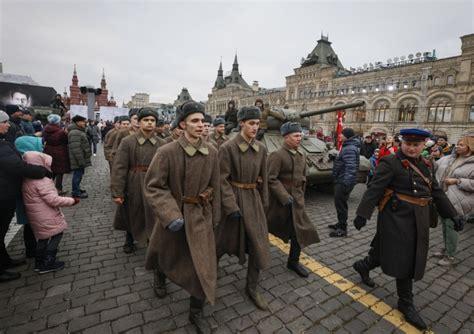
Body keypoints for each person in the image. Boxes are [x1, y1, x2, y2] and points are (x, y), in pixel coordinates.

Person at [351, 128, 461, 330]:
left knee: (385, 249)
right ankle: (405, 302)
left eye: (416, 145)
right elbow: (374, 188)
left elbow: (435, 191)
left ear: (423, 145)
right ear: (402, 143)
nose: (411, 148)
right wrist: (362, 214)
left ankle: (364, 265)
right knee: (406, 257)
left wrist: (452, 214)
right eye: (408, 144)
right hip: (395, 217)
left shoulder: (426, 164)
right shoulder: (390, 162)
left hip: (419, 218)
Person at [144, 101, 220, 333]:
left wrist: (215, 216)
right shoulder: (166, 152)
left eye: (202, 121)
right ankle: (160, 275)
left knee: (202, 264)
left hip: (200, 215)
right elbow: (154, 186)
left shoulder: (213, 151)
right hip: (174, 215)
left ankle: (196, 312)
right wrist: (170, 215)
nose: (200, 125)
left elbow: (215, 185)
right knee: (166, 253)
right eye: (194, 121)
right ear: (182, 124)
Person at [215, 106, 271, 311]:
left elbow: (264, 180)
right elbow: (221, 180)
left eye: (257, 124)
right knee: (219, 244)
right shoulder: (228, 148)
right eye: (251, 123)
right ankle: (209, 279)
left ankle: (252, 288)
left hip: (253, 200)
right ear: (241, 124)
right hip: (233, 201)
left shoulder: (262, 149)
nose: (255, 127)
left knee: (258, 244)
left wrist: (263, 203)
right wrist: (230, 205)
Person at [0, 110, 51, 282]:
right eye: (4, 122)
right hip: (3, 194)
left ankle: (5, 261)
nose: (8, 125)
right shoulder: (2, 146)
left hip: (6, 192)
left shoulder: (4, 143)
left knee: (3, 230)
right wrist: (41, 172)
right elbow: (18, 166)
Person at [267, 122, 320, 277]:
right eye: (296, 136)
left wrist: (301, 195)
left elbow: (303, 177)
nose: (299, 138)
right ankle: (253, 250)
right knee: (266, 227)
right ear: (286, 137)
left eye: (300, 135)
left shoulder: (301, 154)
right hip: (279, 203)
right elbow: (271, 179)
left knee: (300, 231)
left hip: (297, 201)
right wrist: (284, 196)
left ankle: (293, 262)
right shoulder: (277, 155)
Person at [111, 108, 166, 255]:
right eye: (146, 120)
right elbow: (119, 167)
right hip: (134, 182)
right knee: (132, 211)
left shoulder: (162, 143)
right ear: (139, 122)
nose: (149, 123)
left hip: (154, 182)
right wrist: (118, 191)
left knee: (154, 212)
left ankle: (151, 240)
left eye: (152, 120)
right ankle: (129, 239)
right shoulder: (127, 142)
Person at [22, 151, 79, 274]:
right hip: (46, 215)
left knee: (43, 237)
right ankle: (48, 261)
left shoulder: (26, 178)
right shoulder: (42, 180)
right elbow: (53, 200)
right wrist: (72, 200)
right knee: (57, 234)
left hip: (36, 215)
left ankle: (39, 262)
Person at [433, 137, 473, 266]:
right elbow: (436, 168)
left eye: (461, 145)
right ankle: (446, 248)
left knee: (452, 226)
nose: (457, 146)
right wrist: (432, 159)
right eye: (457, 144)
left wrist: (457, 181)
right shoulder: (450, 158)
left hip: (459, 199)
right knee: (445, 224)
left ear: (470, 147)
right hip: (444, 197)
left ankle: (450, 256)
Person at [14, 135, 45, 259]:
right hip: (31, 201)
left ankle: (32, 249)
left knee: (30, 225)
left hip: (28, 201)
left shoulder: (20, 161)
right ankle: (36, 251)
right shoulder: (28, 165)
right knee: (32, 224)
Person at [329, 127, 360, 237]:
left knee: (341, 204)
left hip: (343, 181)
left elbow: (351, 167)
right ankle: (340, 223)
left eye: (341, 134)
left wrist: (346, 183)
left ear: (347, 136)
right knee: (340, 203)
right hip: (342, 179)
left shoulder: (349, 148)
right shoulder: (349, 146)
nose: (339, 135)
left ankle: (342, 228)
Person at [43, 114, 70, 195]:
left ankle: (47, 187)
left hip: (48, 150)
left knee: (52, 170)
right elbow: (66, 141)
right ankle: (58, 188)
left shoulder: (45, 130)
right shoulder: (61, 132)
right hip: (60, 151)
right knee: (60, 171)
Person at [68, 115, 92, 198]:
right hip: (78, 159)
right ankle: (75, 192)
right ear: (77, 122)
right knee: (77, 175)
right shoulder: (75, 132)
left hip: (80, 158)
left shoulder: (78, 131)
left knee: (79, 175)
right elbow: (76, 149)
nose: (85, 123)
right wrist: (80, 161)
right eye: (83, 121)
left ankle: (77, 188)